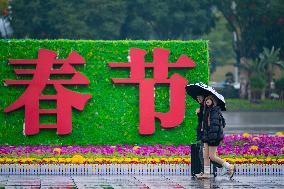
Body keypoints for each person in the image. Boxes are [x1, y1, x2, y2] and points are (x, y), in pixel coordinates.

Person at [196, 95, 235, 179]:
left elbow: (215, 126)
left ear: (213, 101)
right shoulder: (206, 111)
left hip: (213, 137)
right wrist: (199, 114)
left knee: (212, 156)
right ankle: (206, 173)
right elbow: (203, 123)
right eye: (206, 100)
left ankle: (229, 166)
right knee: (205, 156)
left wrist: (212, 138)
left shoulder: (214, 111)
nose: (207, 101)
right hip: (206, 136)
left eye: (209, 100)